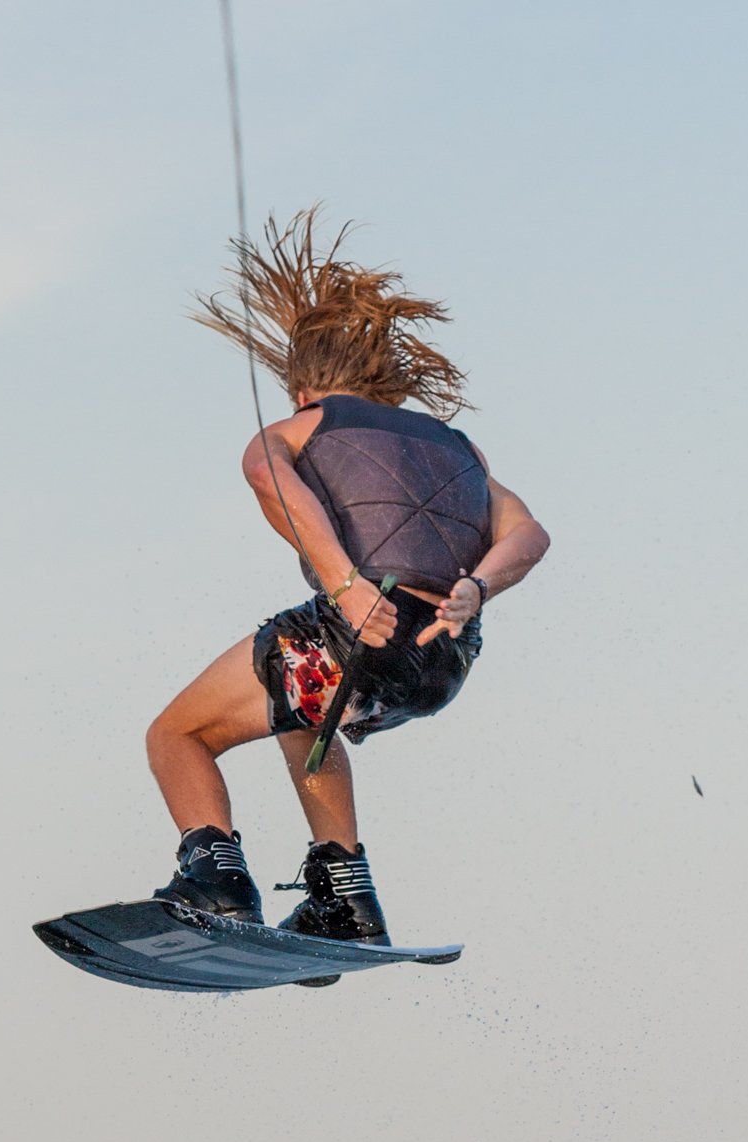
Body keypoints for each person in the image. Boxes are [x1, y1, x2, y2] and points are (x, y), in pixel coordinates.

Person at [146, 210, 550, 945]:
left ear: (306, 387)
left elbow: (266, 473)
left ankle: (217, 881)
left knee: (177, 734)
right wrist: (478, 589)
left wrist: (345, 586)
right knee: (301, 717)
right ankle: (345, 893)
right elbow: (529, 532)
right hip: (441, 659)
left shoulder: (305, 424)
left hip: (353, 633)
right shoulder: (459, 446)